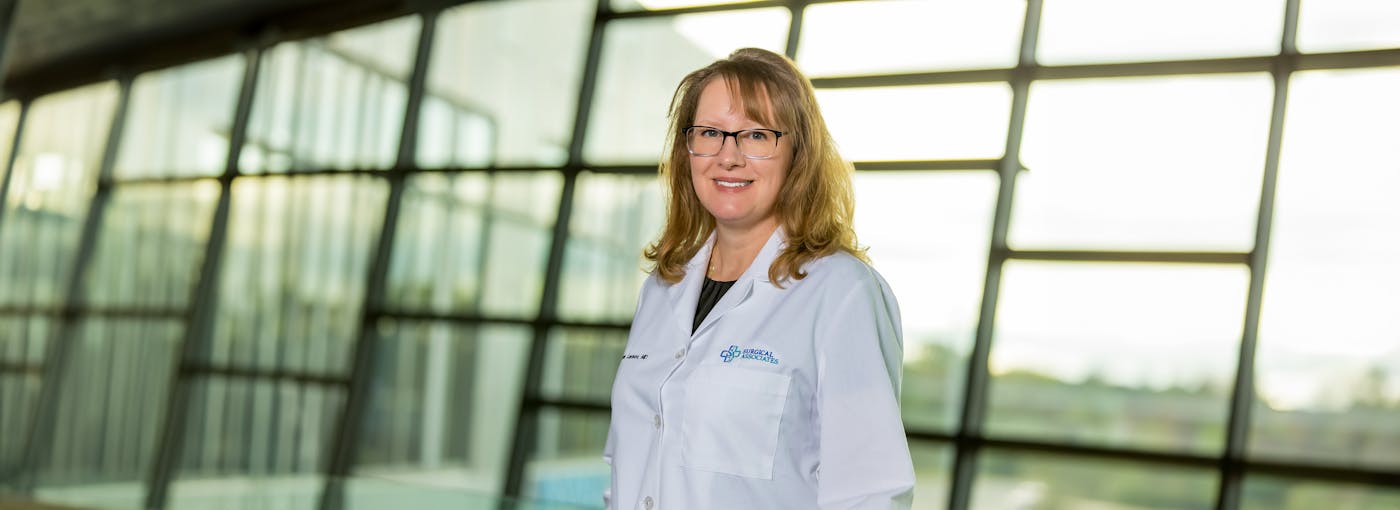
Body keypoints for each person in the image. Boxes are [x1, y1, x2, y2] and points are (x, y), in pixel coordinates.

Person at [604, 47, 914, 509]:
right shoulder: (662, 288)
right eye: (710, 133)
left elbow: (871, 494)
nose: (728, 157)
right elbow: (629, 464)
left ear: (798, 153)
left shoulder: (842, 292)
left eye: (755, 135)